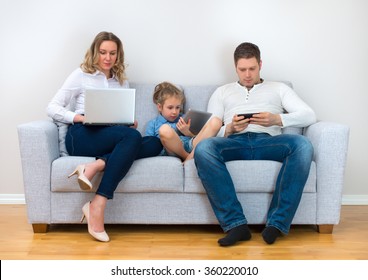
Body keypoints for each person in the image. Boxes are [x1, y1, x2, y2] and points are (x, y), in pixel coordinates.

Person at [194, 42, 316, 246]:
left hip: (268, 142)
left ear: (260, 64)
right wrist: (230, 128)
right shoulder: (222, 92)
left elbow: (309, 115)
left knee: (303, 145)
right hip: (234, 142)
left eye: (252, 68)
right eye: (242, 69)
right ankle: (236, 225)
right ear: (235, 68)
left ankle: (276, 224)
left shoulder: (279, 88)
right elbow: (211, 129)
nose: (248, 74)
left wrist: (277, 119)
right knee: (205, 148)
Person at [46, 31, 162, 242]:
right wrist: (79, 117)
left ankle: (97, 165)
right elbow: (52, 107)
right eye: (102, 52)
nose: (107, 58)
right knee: (132, 138)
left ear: (119, 55)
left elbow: (118, 119)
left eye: (112, 53)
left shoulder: (120, 81)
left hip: (107, 136)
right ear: (94, 52)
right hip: (81, 135)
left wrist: (127, 122)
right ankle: (98, 204)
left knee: (154, 142)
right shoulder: (80, 74)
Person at [145, 82, 222, 161]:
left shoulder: (184, 117)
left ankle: (190, 156)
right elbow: (149, 145)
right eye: (170, 108)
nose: (174, 112)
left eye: (177, 107)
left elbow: (199, 137)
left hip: (190, 145)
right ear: (160, 107)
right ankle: (187, 158)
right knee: (164, 129)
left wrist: (187, 132)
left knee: (216, 121)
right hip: (170, 150)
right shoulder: (153, 124)